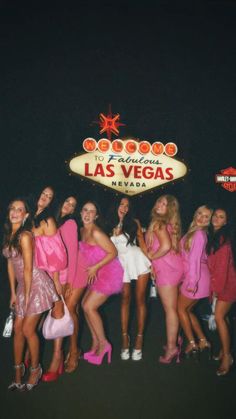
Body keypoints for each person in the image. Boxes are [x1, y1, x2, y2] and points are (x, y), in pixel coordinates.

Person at [3, 199, 58, 391]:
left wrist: (25, 297)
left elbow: (27, 269)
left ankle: (35, 369)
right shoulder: (9, 235)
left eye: (20, 209)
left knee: (27, 330)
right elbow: (10, 263)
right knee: (17, 330)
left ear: (26, 215)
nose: (15, 212)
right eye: (13, 208)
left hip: (36, 284)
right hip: (23, 286)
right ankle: (18, 372)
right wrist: (13, 292)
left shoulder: (25, 236)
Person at [42, 195, 87, 381]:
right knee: (60, 312)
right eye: (67, 201)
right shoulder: (49, 221)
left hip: (75, 271)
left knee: (69, 309)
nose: (69, 206)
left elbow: (74, 255)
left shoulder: (69, 224)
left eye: (73, 205)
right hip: (56, 274)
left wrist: (69, 281)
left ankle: (73, 351)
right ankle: (59, 355)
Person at [80, 201, 123, 365]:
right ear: (81, 212)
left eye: (92, 211)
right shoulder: (82, 230)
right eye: (85, 209)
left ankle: (104, 344)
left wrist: (95, 268)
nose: (88, 213)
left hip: (107, 272)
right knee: (85, 305)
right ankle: (95, 343)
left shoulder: (97, 233)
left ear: (96, 216)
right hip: (95, 272)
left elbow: (113, 252)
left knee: (89, 307)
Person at [108, 196, 151, 361]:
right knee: (125, 299)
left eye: (127, 205)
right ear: (116, 205)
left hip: (137, 260)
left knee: (140, 299)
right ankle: (125, 337)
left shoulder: (134, 222)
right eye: (121, 204)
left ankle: (139, 337)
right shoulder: (107, 222)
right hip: (120, 264)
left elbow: (141, 242)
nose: (124, 208)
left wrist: (150, 264)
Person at [146, 195, 183, 363]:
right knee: (173, 308)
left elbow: (166, 246)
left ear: (170, 209)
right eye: (159, 201)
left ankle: (172, 347)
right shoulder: (165, 223)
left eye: (165, 204)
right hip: (172, 267)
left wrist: (151, 256)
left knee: (170, 310)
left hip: (167, 269)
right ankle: (175, 340)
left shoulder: (159, 223)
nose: (160, 204)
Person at [178, 205, 212, 358]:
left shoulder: (198, 234)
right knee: (188, 310)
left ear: (209, 221)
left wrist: (192, 282)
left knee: (180, 310)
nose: (201, 218)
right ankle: (203, 341)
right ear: (195, 213)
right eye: (200, 213)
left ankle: (192, 343)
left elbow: (194, 259)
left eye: (206, 217)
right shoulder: (196, 232)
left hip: (196, 278)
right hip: (200, 277)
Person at [206, 208, 236, 375]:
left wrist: (216, 290)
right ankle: (225, 348)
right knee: (223, 318)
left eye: (221, 217)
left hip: (227, 284)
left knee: (219, 317)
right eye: (215, 216)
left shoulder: (223, 240)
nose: (217, 218)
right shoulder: (214, 237)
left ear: (226, 222)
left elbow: (222, 268)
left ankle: (227, 356)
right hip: (221, 282)